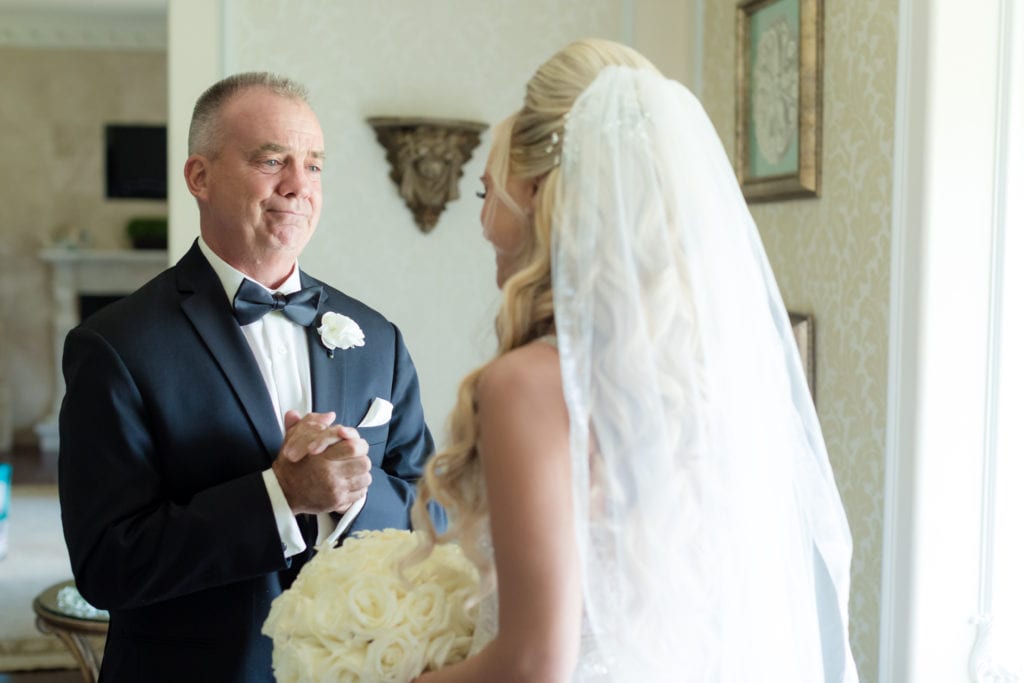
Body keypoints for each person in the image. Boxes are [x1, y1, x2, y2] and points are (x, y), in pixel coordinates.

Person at [411, 38, 858, 682]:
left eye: (490, 190)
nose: (483, 222)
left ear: (537, 189)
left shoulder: (528, 384)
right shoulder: (706, 373)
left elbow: (533, 665)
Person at [58, 72, 442, 683]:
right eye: (272, 160)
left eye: (314, 166)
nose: (298, 185)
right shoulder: (117, 346)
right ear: (199, 177)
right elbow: (108, 566)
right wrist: (281, 497)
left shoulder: (378, 339)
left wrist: (353, 491)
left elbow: (433, 512)